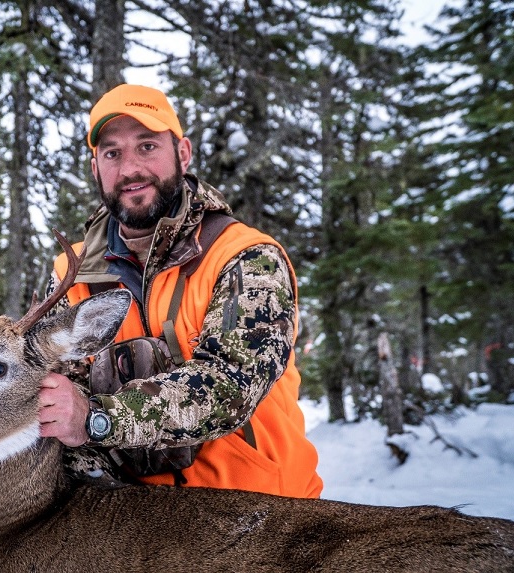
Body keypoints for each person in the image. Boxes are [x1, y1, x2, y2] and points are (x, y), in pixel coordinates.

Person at [37, 84, 322, 498]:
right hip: (136, 517)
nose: (130, 168)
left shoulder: (245, 257)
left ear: (183, 154)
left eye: (147, 146)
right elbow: (54, 384)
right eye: (112, 153)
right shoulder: (72, 272)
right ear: (96, 168)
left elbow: (230, 385)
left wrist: (98, 418)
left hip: (264, 515)